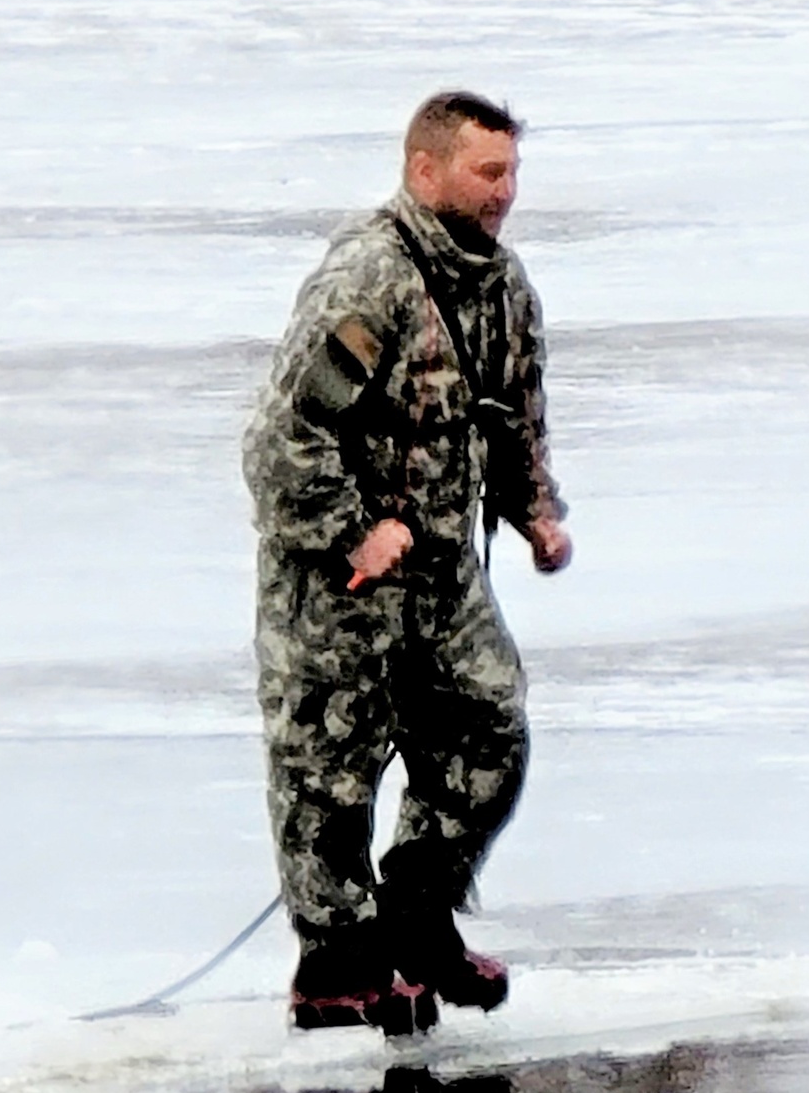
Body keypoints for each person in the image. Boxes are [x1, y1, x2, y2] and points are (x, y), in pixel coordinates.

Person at [243, 90, 571, 1032]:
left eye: (511, 172)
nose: (504, 192)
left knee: (487, 727)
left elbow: (513, 424)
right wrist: (353, 528)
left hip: (441, 581)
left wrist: (534, 513)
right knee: (330, 770)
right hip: (339, 585)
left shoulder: (502, 288)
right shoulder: (370, 280)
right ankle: (336, 964)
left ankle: (420, 918)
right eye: (487, 172)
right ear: (426, 171)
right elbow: (280, 439)